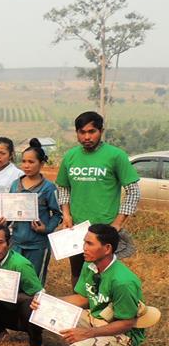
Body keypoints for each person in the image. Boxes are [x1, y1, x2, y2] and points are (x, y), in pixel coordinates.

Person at [31, 224, 156, 346]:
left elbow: (127, 323)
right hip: (96, 319)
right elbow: (83, 298)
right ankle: (95, 345)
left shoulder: (123, 282)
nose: (84, 248)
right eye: (84, 242)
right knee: (45, 310)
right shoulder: (89, 265)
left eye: (89, 244)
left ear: (107, 248)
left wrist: (87, 333)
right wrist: (48, 302)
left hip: (122, 332)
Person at [55, 111, 141, 287]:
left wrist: (117, 223)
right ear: (77, 133)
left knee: (104, 275)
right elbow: (63, 187)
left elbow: (133, 191)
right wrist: (66, 215)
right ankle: (81, 303)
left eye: (92, 131)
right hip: (77, 229)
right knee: (77, 273)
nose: (87, 137)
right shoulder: (70, 156)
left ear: (101, 131)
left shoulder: (116, 156)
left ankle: (102, 304)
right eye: (82, 132)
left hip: (104, 230)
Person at [8, 139, 62, 283]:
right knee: (14, 281)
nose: (26, 165)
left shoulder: (48, 188)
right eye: (24, 161)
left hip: (38, 245)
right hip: (16, 243)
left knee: (34, 283)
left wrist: (47, 228)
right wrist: (4, 221)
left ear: (41, 164)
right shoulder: (15, 185)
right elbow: (10, 211)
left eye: (31, 162)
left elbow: (58, 214)